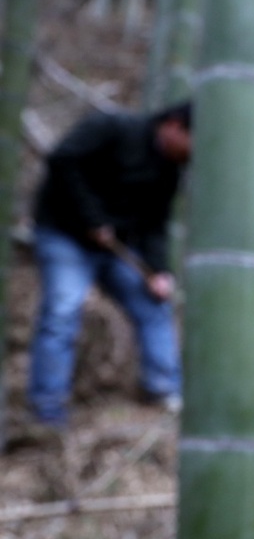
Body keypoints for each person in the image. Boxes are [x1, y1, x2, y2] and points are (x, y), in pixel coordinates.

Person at [27, 102, 192, 426]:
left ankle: (164, 391)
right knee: (62, 311)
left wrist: (158, 271)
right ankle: (48, 409)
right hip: (65, 236)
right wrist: (92, 219)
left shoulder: (170, 170)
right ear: (174, 126)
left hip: (116, 249)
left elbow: (155, 225)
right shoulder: (114, 128)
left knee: (154, 306)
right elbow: (63, 161)